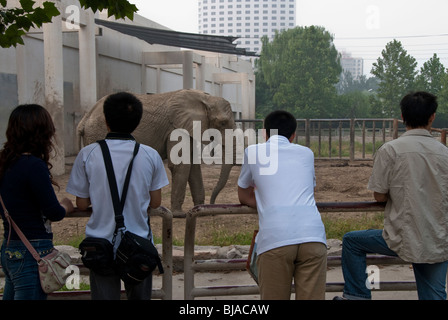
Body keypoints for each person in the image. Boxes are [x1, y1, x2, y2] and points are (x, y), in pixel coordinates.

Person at [336, 91, 448, 300]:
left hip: (401, 238)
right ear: (432, 117)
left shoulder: (390, 150)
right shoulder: (444, 153)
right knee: (434, 294)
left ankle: (357, 296)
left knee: (352, 242)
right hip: (438, 237)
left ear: (403, 117)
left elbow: (379, 196)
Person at [67, 92, 169, 300]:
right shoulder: (150, 155)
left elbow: (82, 202)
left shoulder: (88, 154)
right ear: (138, 122)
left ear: (105, 120)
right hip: (138, 245)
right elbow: (156, 202)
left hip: (100, 246)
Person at [237, 110, 327, 300]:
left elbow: (243, 195)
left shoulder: (253, 152)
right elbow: (307, 190)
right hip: (313, 236)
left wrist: (265, 202)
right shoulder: (307, 154)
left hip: (275, 238)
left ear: (265, 133)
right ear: (293, 135)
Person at [0, 104, 74, 300]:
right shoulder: (34, 165)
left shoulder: (4, 163)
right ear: (43, 132)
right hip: (33, 253)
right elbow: (53, 212)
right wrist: (66, 206)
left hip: (10, 248)